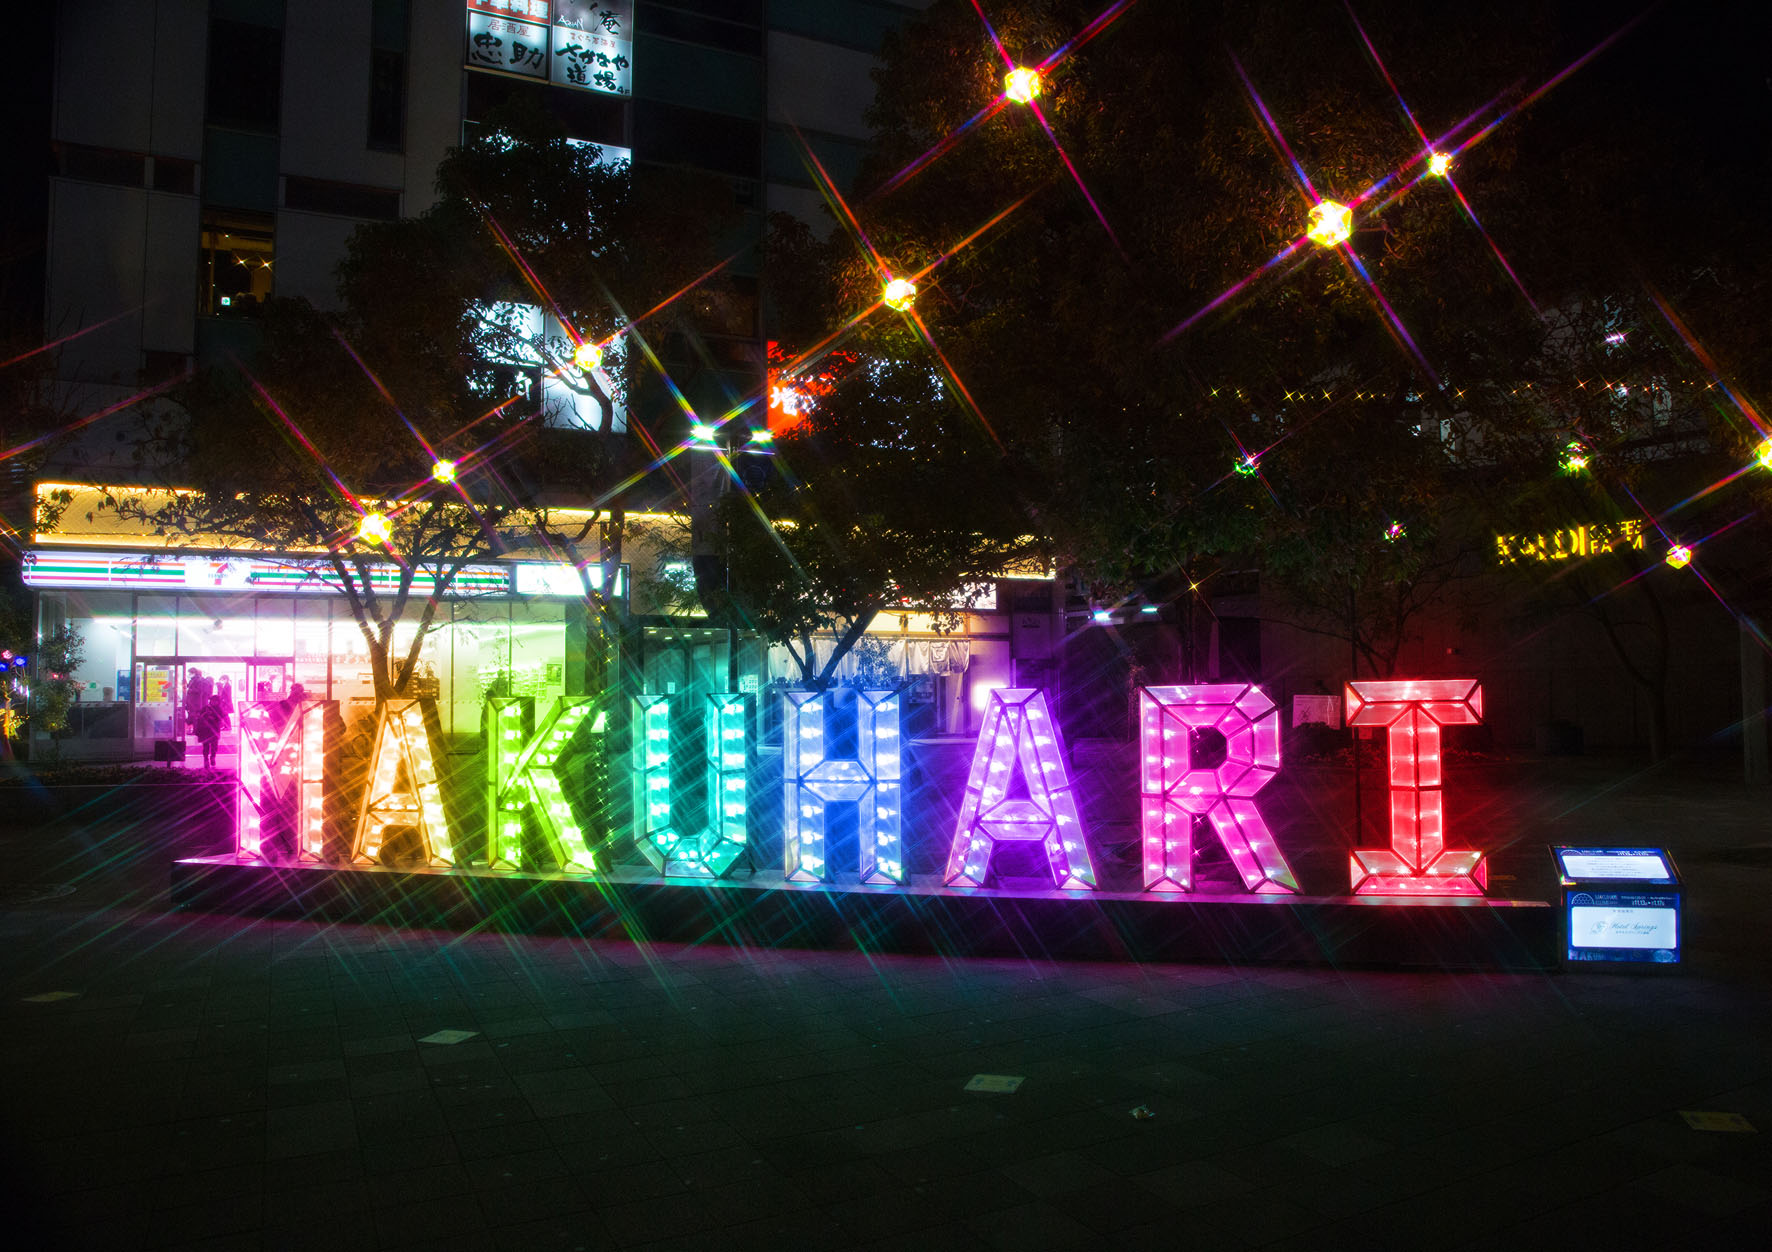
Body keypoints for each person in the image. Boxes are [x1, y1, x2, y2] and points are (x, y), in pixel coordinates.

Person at [194, 694, 224, 769]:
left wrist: (212, 717)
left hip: (214, 730)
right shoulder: (205, 708)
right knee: (206, 746)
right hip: (206, 730)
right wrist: (205, 715)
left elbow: (220, 718)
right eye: (212, 700)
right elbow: (200, 716)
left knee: (214, 746)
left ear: (218, 702)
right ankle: (206, 759)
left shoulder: (219, 709)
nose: (214, 702)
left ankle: (213, 757)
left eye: (216, 701)